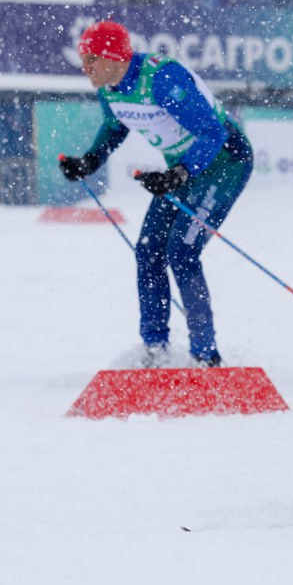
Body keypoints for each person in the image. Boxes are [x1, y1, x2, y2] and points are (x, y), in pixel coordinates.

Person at [59, 21, 254, 367]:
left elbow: (213, 132)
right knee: (148, 251)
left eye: (91, 59)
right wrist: (89, 160)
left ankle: (205, 356)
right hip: (184, 167)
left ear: (113, 57)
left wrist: (179, 173)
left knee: (181, 250)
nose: (84, 68)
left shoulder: (162, 79)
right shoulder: (109, 88)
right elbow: (115, 126)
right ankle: (155, 349)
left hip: (224, 161)